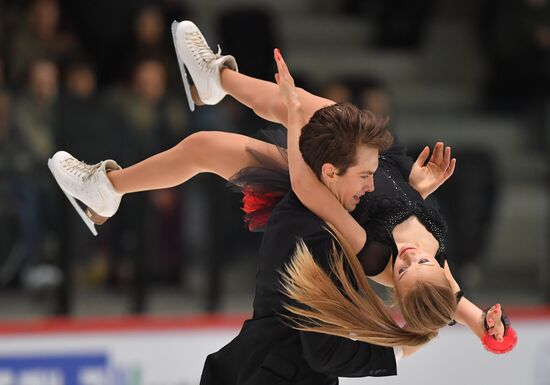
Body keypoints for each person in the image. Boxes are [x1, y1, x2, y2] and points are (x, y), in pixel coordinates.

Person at [48, 20, 516, 382]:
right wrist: (483, 327)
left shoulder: (375, 255)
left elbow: (312, 193)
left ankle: (106, 189)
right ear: (441, 269)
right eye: (422, 266)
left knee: (218, 142)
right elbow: (447, 302)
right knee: (315, 111)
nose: (409, 261)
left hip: (323, 185)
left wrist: (294, 129)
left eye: (402, 274)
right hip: (373, 166)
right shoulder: (437, 253)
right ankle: (214, 82)